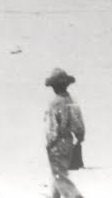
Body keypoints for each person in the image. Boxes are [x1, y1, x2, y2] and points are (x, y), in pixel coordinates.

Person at [42, 69, 86, 198]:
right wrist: (79, 138)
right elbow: (78, 124)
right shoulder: (71, 100)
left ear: (54, 87)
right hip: (68, 143)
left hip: (57, 144)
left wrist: (49, 144)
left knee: (59, 178)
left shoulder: (54, 103)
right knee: (58, 176)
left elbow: (52, 128)